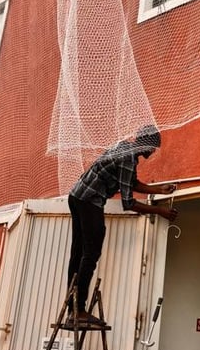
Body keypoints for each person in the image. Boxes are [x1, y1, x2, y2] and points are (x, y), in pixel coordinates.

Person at [66, 124, 177, 325]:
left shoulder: (124, 148)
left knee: (78, 253)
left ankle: (72, 309)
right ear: (146, 144)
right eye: (153, 148)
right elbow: (129, 203)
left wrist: (159, 189)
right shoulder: (128, 159)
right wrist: (161, 212)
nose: (152, 153)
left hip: (76, 196)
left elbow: (131, 183)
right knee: (90, 254)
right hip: (90, 200)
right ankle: (78, 310)